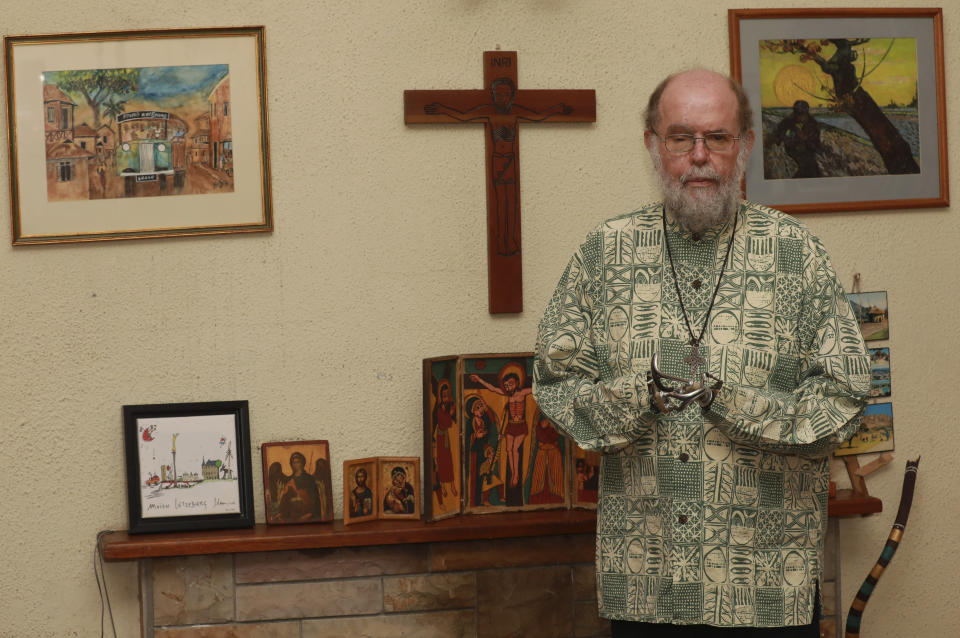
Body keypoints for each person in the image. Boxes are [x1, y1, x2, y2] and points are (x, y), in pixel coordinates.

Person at [532, 68, 869, 636]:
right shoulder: (604, 252)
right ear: (651, 144)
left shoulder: (798, 255)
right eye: (680, 137)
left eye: (717, 137)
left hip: (765, 586)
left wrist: (730, 403)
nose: (699, 156)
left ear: (745, 146)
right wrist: (640, 397)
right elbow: (553, 382)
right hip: (645, 582)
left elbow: (846, 395)